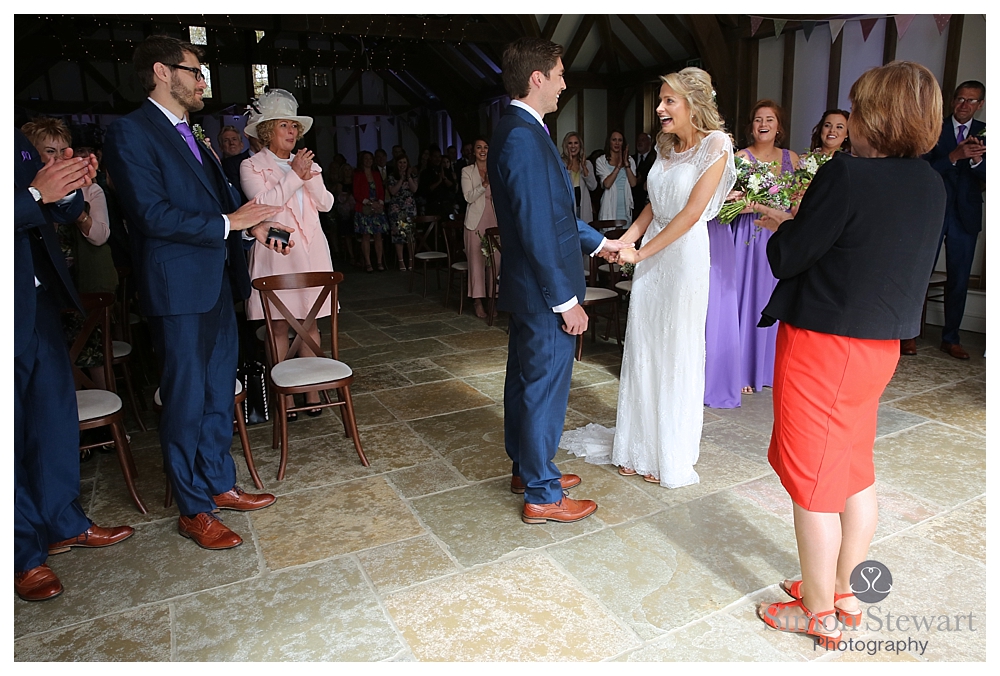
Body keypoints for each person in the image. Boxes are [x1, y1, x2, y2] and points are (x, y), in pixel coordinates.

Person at [751, 61, 945, 650]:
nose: (850, 122)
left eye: (857, 111)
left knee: (813, 483)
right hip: (880, 346)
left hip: (824, 345)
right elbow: (874, 251)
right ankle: (845, 593)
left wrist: (788, 223)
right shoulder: (931, 182)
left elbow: (789, 258)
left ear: (878, 118)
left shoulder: (846, 175)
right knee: (854, 468)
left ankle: (817, 613)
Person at [104, 35, 281, 551]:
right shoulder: (132, 133)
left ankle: (218, 483)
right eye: (195, 70)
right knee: (184, 399)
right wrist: (229, 221)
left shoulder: (193, 131)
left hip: (215, 282)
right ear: (162, 71)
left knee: (214, 392)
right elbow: (150, 215)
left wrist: (252, 227)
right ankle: (193, 508)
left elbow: (221, 200)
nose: (203, 80)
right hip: (177, 287)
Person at [488, 37, 629, 524]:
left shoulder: (522, 129)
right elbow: (534, 226)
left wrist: (598, 242)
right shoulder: (523, 136)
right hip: (542, 290)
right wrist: (566, 300)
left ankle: (528, 470)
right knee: (543, 387)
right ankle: (544, 494)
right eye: (560, 74)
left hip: (531, 287)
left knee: (526, 382)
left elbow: (557, 213)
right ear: (537, 78)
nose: (565, 83)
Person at [14, 128, 134, 602]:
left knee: (54, 419)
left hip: (38, 299)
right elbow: (30, 198)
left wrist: (71, 187)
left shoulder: (15, 135)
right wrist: (32, 194)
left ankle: (64, 522)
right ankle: (23, 553)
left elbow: (51, 207)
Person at [603, 68, 735, 485]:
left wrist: (641, 252)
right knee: (644, 345)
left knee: (676, 347)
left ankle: (669, 451)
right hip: (654, 255)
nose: (659, 109)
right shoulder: (665, 146)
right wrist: (623, 241)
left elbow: (691, 213)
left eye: (668, 101)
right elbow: (653, 206)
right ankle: (636, 445)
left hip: (682, 259)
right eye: (660, 101)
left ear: (693, 103)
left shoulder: (717, 145)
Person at [240, 88, 336, 419]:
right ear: (268, 131)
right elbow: (264, 206)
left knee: (309, 324)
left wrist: (307, 177)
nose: (292, 132)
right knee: (278, 327)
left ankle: (312, 393)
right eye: (284, 126)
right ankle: (286, 398)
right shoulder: (251, 166)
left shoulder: (307, 164)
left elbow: (326, 204)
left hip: (310, 251)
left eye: (295, 127)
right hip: (276, 253)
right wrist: (295, 174)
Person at [733, 100, 799, 395]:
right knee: (745, 300)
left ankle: (771, 368)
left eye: (770, 119)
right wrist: (759, 206)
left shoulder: (792, 158)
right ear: (752, 126)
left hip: (779, 236)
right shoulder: (740, 158)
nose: (763, 124)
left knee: (775, 298)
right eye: (758, 119)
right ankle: (743, 370)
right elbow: (731, 202)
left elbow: (796, 203)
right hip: (748, 236)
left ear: (779, 127)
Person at [918, 80, 986, 360]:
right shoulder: (934, 128)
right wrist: (953, 157)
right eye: (960, 99)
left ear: (980, 105)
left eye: (971, 101)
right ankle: (909, 335)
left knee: (958, 279)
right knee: (921, 274)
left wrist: (975, 162)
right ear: (952, 100)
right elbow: (923, 170)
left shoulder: (987, 134)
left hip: (966, 216)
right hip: (934, 212)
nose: (964, 105)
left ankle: (951, 337)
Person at [461, 137, 500, 319]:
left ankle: (493, 298)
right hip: (475, 222)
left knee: (495, 262)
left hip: (494, 220)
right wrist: (484, 184)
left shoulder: (496, 168)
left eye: (486, 147)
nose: (482, 150)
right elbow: (468, 197)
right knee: (476, 263)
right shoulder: (467, 171)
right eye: (479, 147)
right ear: (473, 151)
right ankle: (477, 301)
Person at [353, 150, 389, 272]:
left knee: (378, 235)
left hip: (377, 207)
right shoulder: (358, 174)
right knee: (366, 236)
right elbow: (356, 192)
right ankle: (368, 263)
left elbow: (381, 190)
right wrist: (369, 202)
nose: (368, 161)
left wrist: (380, 202)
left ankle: (379, 262)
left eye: (370, 158)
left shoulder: (376, 173)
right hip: (365, 208)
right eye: (366, 159)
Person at [595, 130, 637, 222]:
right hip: (609, 206)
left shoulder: (630, 160)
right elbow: (607, 184)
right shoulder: (601, 161)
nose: (617, 143)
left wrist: (626, 164)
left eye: (620, 140)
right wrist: (618, 166)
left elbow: (633, 183)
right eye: (614, 140)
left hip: (625, 207)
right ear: (609, 142)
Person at [386, 154, 418, 271]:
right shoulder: (391, 177)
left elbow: (414, 189)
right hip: (396, 209)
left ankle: (411, 260)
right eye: (400, 163)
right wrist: (400, 178)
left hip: (409, 209)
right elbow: (393, 191)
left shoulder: (413, 176)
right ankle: (401, 261)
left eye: (404, 162)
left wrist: (408, 176)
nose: (402, 165)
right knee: (398, 235)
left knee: (410, 235)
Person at [560, 131, 598, 223]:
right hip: (568, 207)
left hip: (584, 207)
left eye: (576, 143)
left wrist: (584, 168)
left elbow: (593, 186)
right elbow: (562, 187)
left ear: (580, 145)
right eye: (570, 143)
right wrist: (568, 169)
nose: (573, 146)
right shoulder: (561, 163)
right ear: (566, 146)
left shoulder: (587, 164)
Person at [631, 132, 655, 209]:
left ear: (649, 143)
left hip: (646, 201)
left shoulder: (654, 160)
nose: (640, 142)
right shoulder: (630, 159)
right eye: (638, 140)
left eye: (643, 140)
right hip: (632, 200)